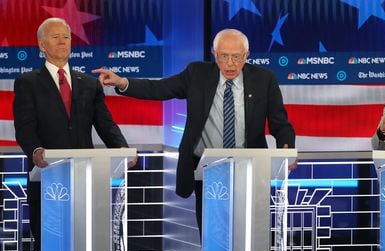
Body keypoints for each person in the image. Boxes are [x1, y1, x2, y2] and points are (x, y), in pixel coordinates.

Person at [92, 28, 296, 235]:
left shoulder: (264, 79)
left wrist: (287, 151)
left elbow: (280, 123)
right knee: (212, 234)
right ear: (214, 55)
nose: (231, 63)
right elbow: (159, 89)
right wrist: (122, 82)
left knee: (250, 232)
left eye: (237, 57)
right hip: (207, 170)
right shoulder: (197, 74)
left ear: (247, 56)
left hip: (250, 168)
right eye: (224, 56)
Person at [13, 17, 134, 251]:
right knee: (48, 249)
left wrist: (123, 150)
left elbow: (105, 124)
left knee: (84, 243)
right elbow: (24, 128)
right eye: (55, 37)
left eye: (66, 37)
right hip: (47, 182)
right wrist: (35, 151)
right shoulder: (27, 82)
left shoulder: (88, 83)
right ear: (41, 45)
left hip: (86, 182)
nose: (62, 42)